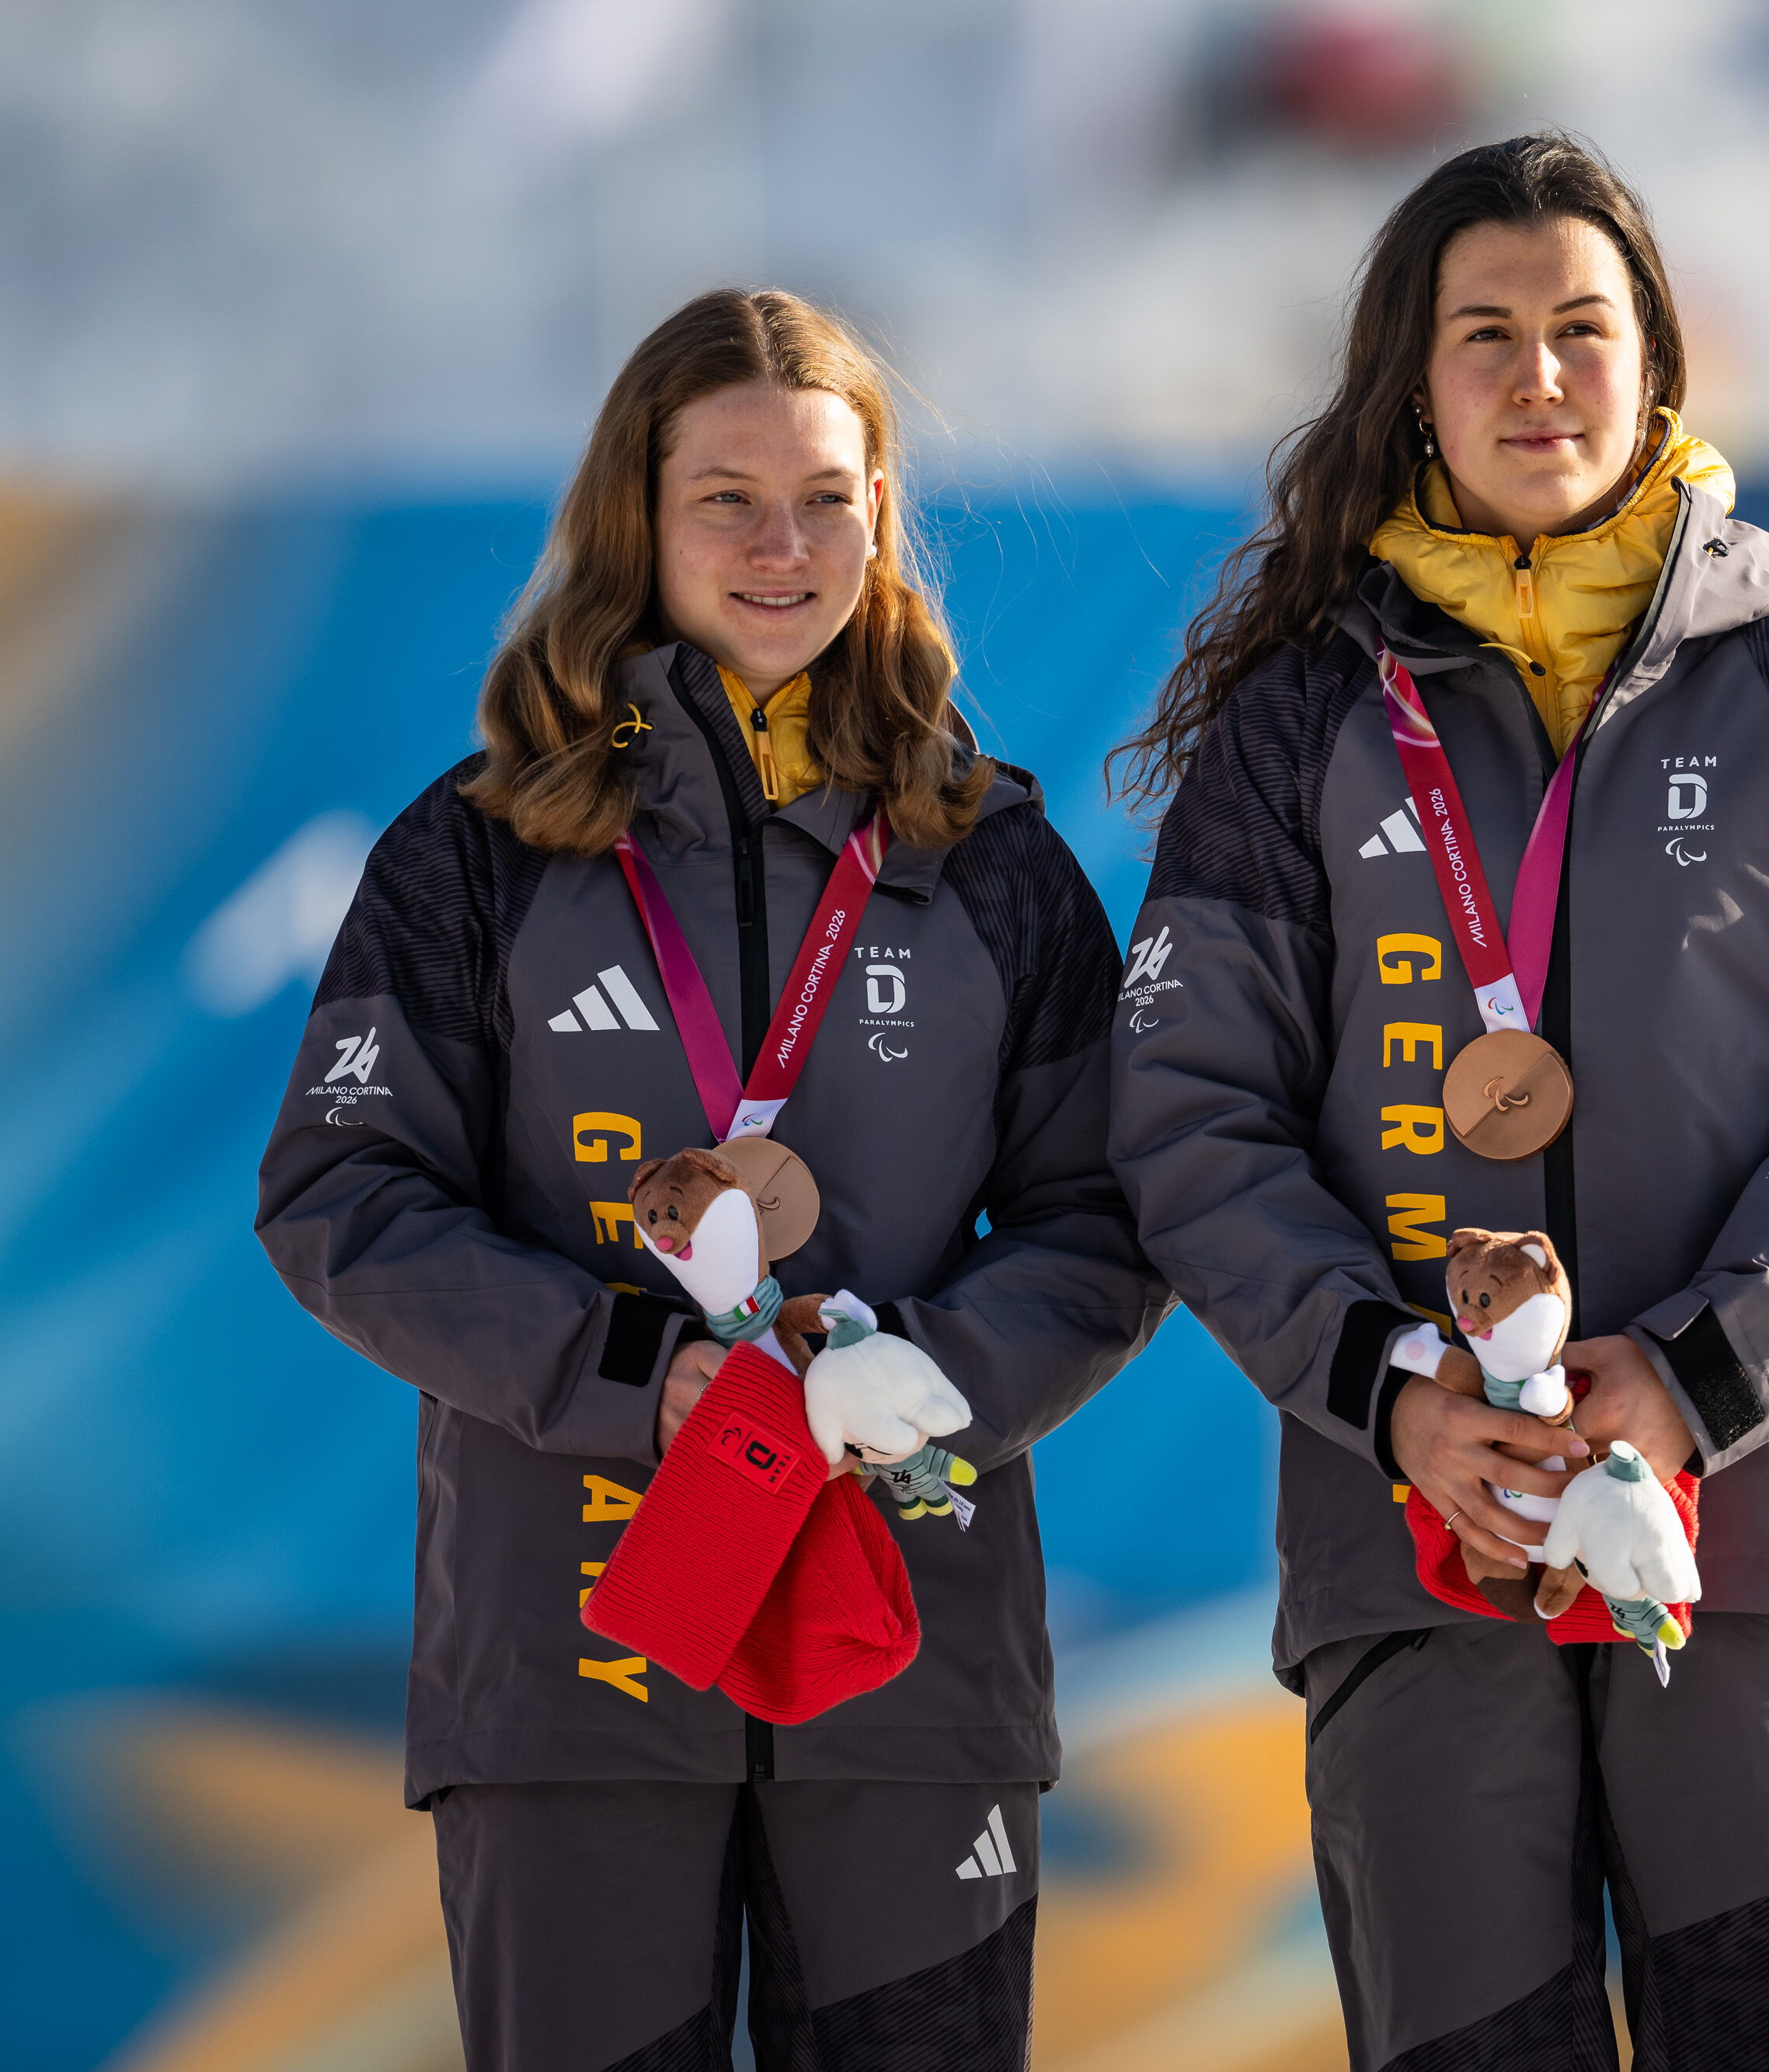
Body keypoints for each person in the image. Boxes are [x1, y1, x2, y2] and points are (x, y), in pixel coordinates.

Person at [1106, 134, 1769, 2070]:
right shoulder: (1304, 717)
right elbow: (1190, 1113)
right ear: (1414, 385)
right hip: (1424, 1531)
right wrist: (1390, 1390)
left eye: (1581, 330)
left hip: (1764, 1526)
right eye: (1486, 335)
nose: (1539, 376)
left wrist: (1698, 1369)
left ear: (1658, 369)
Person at [257, 287, 1166, 2072]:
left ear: (883, 524)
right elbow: (342, 1195)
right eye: (726, 497)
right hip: (582, 1664)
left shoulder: (989, 859)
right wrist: (639, 1373)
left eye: (829, 495)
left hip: (910, 1661)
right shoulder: (477, 848)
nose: (782, 543)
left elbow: (1106, 1215)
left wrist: (917, 1384)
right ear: (635, 521)